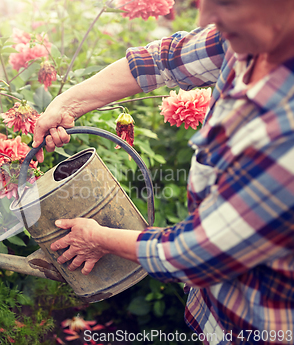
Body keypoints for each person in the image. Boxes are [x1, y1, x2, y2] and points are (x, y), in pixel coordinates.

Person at [31, 0, 294, 344]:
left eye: (227, 4)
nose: (204, 18)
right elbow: (165, 59)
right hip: (214, 314)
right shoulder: (253, 38)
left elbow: (201, 252)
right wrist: (68, 103)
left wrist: (98, 238)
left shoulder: (284, 128)